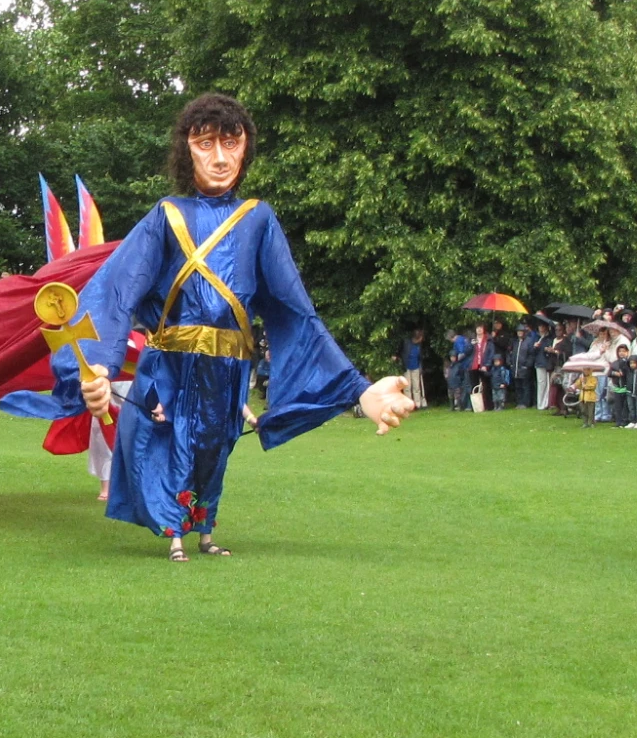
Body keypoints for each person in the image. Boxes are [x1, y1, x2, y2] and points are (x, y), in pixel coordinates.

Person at [65, 92, 413, 560]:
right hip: (173, 361)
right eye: (205, 143)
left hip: (229, 368)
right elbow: (115, 290)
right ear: (186, 149)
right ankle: (175, 533)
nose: (220, 156)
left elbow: (295, 311)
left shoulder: (258, 219)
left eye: (231, 143)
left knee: (215, 446)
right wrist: (99, 367)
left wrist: (358, 390)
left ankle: (204, 531)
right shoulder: (166, 215)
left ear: (245, 148)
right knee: (177, 441)